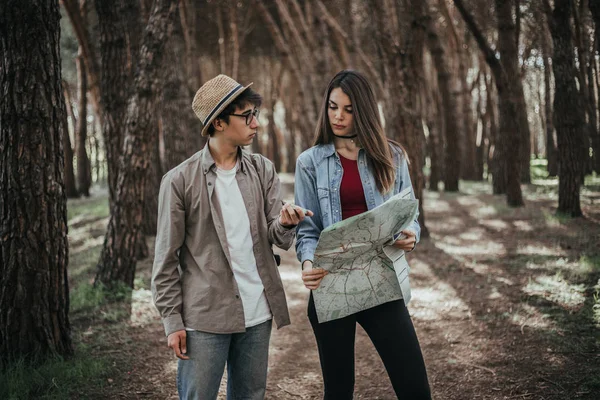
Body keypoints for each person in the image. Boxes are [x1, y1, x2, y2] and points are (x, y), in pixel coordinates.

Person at [152, 74, 311, 400]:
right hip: (204, 319)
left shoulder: (262, 169)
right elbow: (166, 259)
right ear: (219, 123)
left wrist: (284, 222)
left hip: (258, 313)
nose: (256, 123)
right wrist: (172, 321)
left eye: (256, 114)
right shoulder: (179, 181)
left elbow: (278, 238)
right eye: (247, 116)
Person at [294, 70, 431, 399]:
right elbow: (308, 229)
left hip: (381, 282)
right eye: (332, 107)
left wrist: (410, 233)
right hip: (331, 286)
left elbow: (408, 214)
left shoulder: (392, 156)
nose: (338, 116)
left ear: (365, 111)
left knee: (414, 387)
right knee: (338, 391)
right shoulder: (310, 162)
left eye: (349, 109)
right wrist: (307, 263)